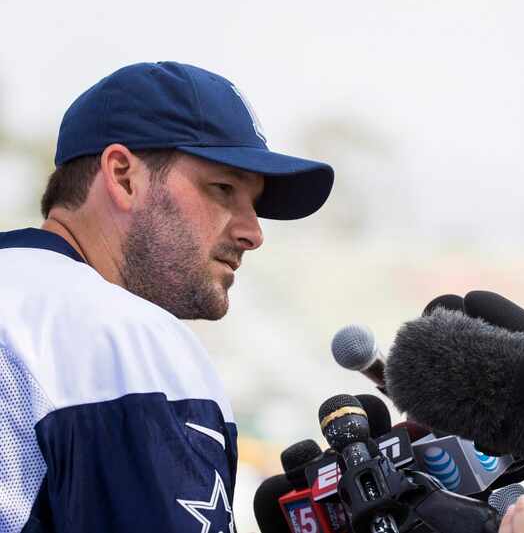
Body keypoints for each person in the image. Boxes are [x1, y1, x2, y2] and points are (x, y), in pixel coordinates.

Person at [0, 62, 334, 532]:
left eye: (253, 203)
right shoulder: (117, 333)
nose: (253, 232)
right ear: (122, 175)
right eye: (223, 188)